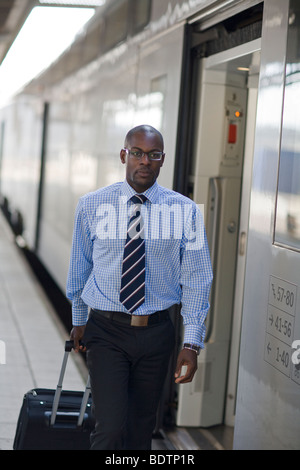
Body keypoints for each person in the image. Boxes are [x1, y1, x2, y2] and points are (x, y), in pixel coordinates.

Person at [66, 125, 212, 450]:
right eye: (137, 153)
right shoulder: (91, 205)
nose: (145, 161)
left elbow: (197, 279)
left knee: (140, 432)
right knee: (110, 428)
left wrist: (191, 343)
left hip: (156, 333)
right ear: (124, 155)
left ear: (162, 160)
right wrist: (78, 320)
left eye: (153, 155)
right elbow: (80, 268)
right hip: (106, 331)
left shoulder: (185, 212)